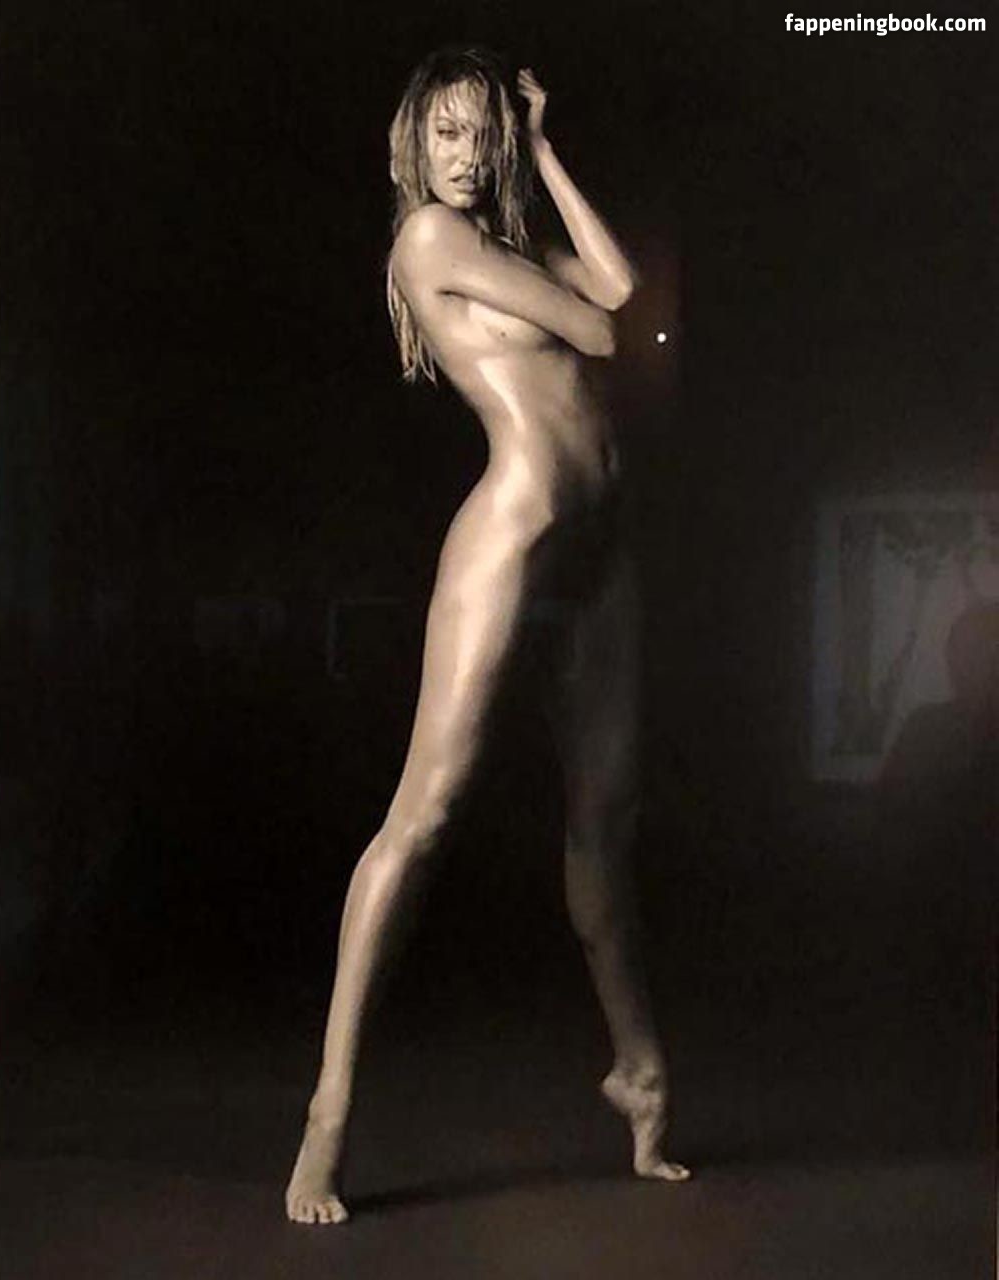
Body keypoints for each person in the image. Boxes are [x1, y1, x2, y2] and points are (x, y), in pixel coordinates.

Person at [286, 47, 689, 1225]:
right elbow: (605, 335)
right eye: (447, 134)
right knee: (424, 814)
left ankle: (638, 1068)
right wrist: (578, 284)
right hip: (513, 533)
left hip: (599, 550)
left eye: (483, 134)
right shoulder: (430, 240)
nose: (466, 156)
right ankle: (326, 1114)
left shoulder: (503, 242)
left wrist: (547, 151)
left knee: (603, 825)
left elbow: (617, 286)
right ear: (415, 145)